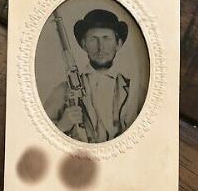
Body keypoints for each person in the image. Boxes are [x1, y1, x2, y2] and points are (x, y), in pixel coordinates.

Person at [44, 9, 139, 143]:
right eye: (93, 39)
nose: (101, 47)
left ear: (118, 44)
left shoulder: (133, 90)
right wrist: (62, 126)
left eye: (107, 38)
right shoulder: (63, 91)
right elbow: (36, 135)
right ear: (84, 45)